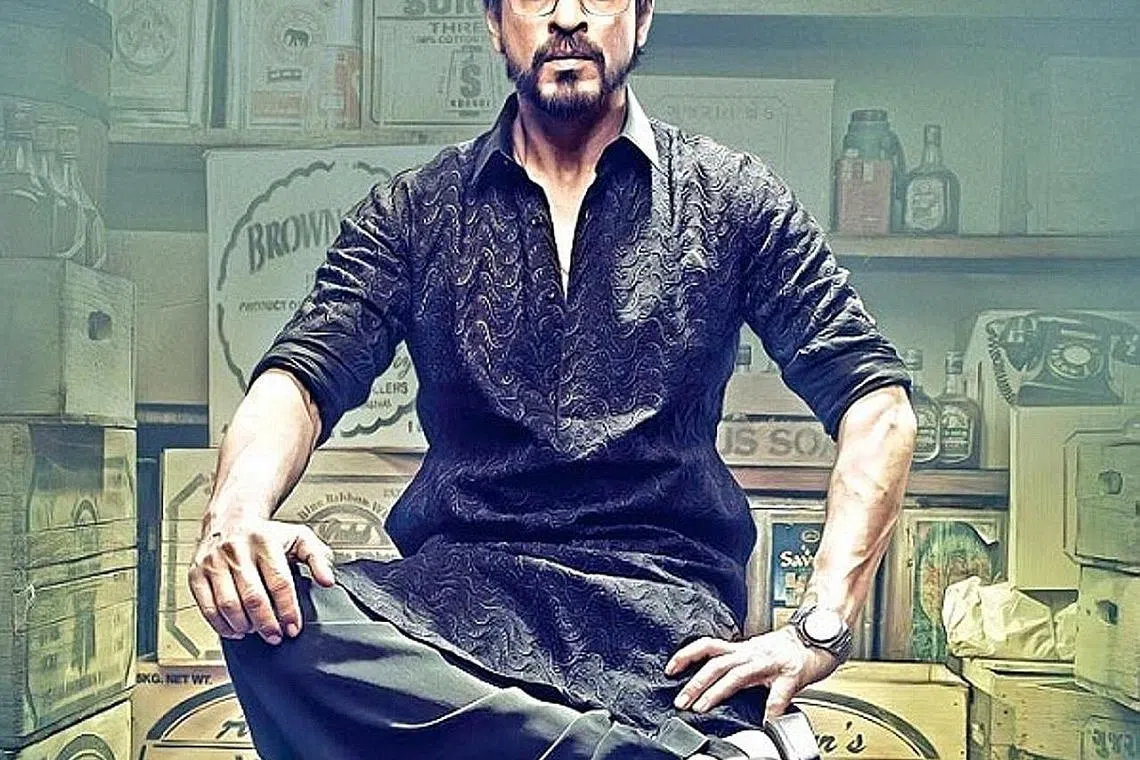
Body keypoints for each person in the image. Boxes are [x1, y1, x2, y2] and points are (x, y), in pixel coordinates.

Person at [188, 0, 918, 757]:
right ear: (495, 21)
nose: (568, 15)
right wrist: (233, 519)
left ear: (641, 18)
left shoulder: (734, 198)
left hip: (654, 617)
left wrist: (819, 628)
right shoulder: (412, 210)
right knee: (268, 617)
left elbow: (878, 405)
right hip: (451, 611)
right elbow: (302, 378)